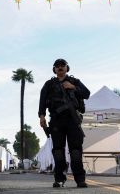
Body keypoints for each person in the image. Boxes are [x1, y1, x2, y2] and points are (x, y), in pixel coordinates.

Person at [38, 58, 90, 188]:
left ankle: (80, 180)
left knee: (76, 152)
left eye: (63, 65)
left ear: (67, 68)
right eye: (57, 66)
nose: (60, 67)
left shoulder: (75, 81)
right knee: (58, 152)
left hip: (73, 120)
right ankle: (59, 179)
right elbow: (42, 100)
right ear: (54, 69)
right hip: (56, 120)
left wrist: (73, 87)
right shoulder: (49, 84)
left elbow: (87, 93)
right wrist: (42, 116)